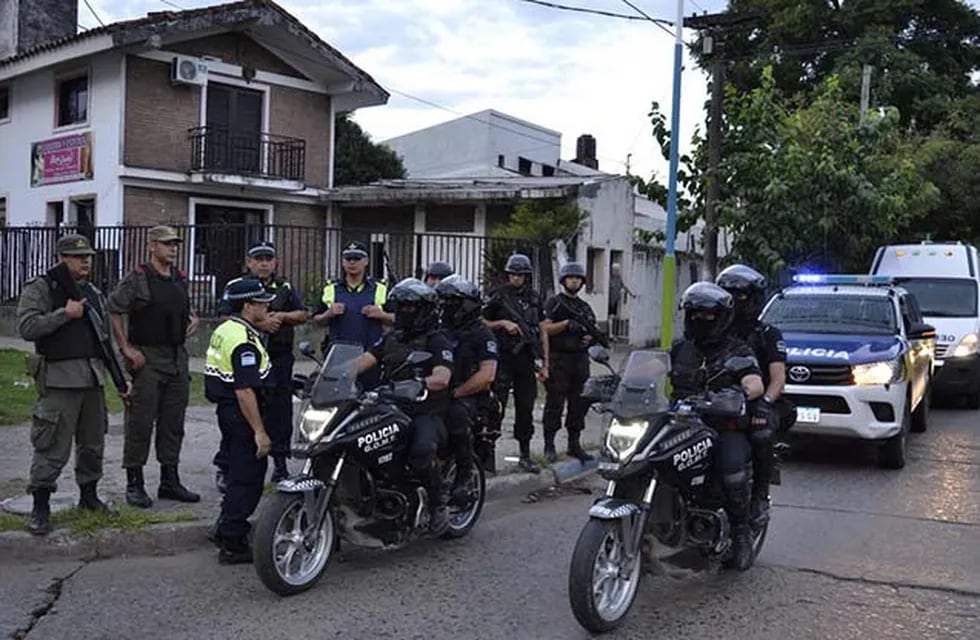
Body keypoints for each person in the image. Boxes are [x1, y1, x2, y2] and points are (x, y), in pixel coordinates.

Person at [17, 234, 131, 536]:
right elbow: (26, 327)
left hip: (92, 379)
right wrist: (63, 315)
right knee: (51, 445)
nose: (85, 262)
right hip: (58, 380)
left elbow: (106, 342)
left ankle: (89, 497)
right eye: (78, 256)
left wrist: (122, 379)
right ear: (61, 257)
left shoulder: (92, 293)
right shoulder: (41, 287)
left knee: (93, 444)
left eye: (88, 257)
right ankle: (41, 506)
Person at [669, 282, 765, 571]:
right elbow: (651, 367)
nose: (699, 320)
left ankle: (741, 533)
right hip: (680, 423)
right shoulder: (680, 348)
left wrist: (741, 393)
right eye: (694, 314)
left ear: (722, 318)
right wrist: (619, 384)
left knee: (731, 471)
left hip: (723, 426)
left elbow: (754, 380)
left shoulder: (738, 349)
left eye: (707, 315)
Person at [107, 225, 200, 508]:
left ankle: (169, 480)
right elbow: (114, 308)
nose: (173, 249)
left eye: (175, 244)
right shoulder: (138, 278)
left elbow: (183, 306)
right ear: (152, 246)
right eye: (166, 244)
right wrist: (126, 348)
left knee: (173, 423)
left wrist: (193, 318)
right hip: (147, 358)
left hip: (176, 358)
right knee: (140, 422)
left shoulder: (179, 278)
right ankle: (134, 483)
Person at [356, 278, 454, 535]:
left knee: (421, 453)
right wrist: (327, 375)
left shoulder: (437, 339)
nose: (403, 313)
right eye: (400, 308)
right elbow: (361, 362)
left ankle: (437, 503)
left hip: (425, 410)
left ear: (424, 311)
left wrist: (419, 383)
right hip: (388, 407)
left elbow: (442, 377)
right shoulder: (391, 338)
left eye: (410, 308)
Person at [217, 241, 308, 484]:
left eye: (268, 258)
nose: (264, 263)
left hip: (278, 357)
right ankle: (227, 466)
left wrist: (282, 316)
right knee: (242, 412)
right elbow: (224, 315)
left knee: (280, 411)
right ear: (249, 262)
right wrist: (259, 324)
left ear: (275, 262)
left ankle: (280, 465)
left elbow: (303, 314)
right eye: (258, 259)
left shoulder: (284, 286)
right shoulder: (238, 286)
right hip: (247, 358)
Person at [204, 278, 276, 565]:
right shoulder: (243, 340)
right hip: (242, 414)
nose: (266, 305)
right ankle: (233, 541)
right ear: (247, 305)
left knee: (236, 473)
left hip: (228, 413)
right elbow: (244, 390)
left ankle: (224, 528)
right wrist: (260, 432)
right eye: (261, 301)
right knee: (247, 479)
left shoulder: (226, 329)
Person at [716, 264, 786, 521]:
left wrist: (766, 402)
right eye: (728, 295)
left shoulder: (766, 334)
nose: (734, 302)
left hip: (756, 401)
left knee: (761, 432)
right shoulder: (714, 329)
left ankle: (759, 496)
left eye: (741, 296)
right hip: (718, 400)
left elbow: (778, 378)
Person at [483, 254, 549, 473]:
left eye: (520, 274)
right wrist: (502, 323)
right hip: (503, 357)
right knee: (497, 407)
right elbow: (481, 322)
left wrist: (545, 362)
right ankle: (488, 455)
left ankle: (525, 453)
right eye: (513, 274)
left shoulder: (534, 298)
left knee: (525, 406)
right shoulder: (497, 297)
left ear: (527, 276)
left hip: (526, 359)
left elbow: (541, 329)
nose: (516, 278)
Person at [435, 275, 498, 503]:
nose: (445, 308)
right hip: (435, 391)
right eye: (443, 302)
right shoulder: (438, 330)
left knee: (456, 417)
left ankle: (463, 474)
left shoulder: (482, 335)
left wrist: (456, 393)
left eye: (451, 302)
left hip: (468, 397)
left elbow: (486, 375)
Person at [311, 241, 393, 389]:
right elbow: (315, 321)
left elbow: (397, 320)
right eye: (348, 259)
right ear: (343, 262)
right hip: (338, 359)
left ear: (366, 261)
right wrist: (328, 314)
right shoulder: (331, 289)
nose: (352, 263)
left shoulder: (381, 288)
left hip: (370, 358)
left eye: (357, 259)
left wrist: (382, 315)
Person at [541, 262, 597, 464]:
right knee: (554, 403)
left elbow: (593, 331)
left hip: (580, 360)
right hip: (559, 359)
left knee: (579, 404)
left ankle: (574, 444)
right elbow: (544, 329)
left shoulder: (584, 307)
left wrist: (590, 338)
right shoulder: (554, 303)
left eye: (578, 278)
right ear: (563, 280)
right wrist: (565, 324)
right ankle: (549, 444)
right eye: (570, 277)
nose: (574, 280)